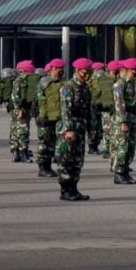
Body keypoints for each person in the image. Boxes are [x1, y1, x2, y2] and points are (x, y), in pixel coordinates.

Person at [56, 58, 93, 201]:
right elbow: (66, 109)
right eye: (85, 72)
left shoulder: (84, 87)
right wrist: (68, 129)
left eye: (89, 72)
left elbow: (89, 109)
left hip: (80, 127)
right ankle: (65, 190)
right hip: (69, 129)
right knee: (66, 159)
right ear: (77, 71)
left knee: (77, 160)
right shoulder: (68, 87)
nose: (87, 75)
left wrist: (91, 128)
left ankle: (74, 188)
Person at [112, 59, 136, 184]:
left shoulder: (133, 84)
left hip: (132, 119)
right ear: (130, 70)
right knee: (123, 147)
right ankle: (118, 173)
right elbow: (119, 104)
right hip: (122, 121)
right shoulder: (120, 84)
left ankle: (125, 172)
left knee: (131, 147)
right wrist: (123, 122)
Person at [35, 59, 65, 178]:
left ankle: (49, 167)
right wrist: (42, 116)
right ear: (52, 69)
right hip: (46, 118)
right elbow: (41, 101)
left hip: (58, 117)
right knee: (45, 143)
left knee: (53, 143)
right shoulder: (44, 82)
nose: (60, 72)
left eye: (61, 69)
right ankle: (43, 168)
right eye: (58, 69)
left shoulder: (63, 83)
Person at [9, 60, 35, 163]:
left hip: (17, 109)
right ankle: (23, 153)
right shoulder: (20, 81)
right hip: (21, 110)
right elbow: (15, 96)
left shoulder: (17, 80)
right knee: (23, 131)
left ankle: (16, 153)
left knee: (15, 131)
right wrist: (19, 109)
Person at [86, 62, 105, 154]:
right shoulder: (90, 82)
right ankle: (92, 147)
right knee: (94, 127)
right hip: (93, 107)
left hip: (97, 107)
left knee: (98, 127)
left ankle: (94, 146)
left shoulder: (93, 81)